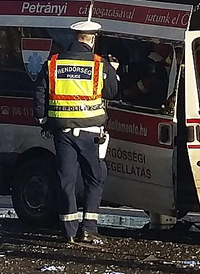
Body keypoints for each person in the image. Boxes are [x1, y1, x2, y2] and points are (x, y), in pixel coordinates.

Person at [33, 20, 119, 244]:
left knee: (66, 180)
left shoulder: (52, 63)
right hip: (91, 133)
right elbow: (112, 93)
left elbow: (40, 95)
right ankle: (89, 228)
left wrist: (44, 122)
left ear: (75, 37)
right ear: (92, 38)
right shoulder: (100, 65)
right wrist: (114, 71)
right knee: (95, 177)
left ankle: (69, 231)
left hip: (62, 133)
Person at [122, 43, 172, 108]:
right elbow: (148, 81)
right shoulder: (148, 62)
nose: (167, 47)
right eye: (163, 44)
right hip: (146, 105)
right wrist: (125, 93)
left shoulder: (174, 62)